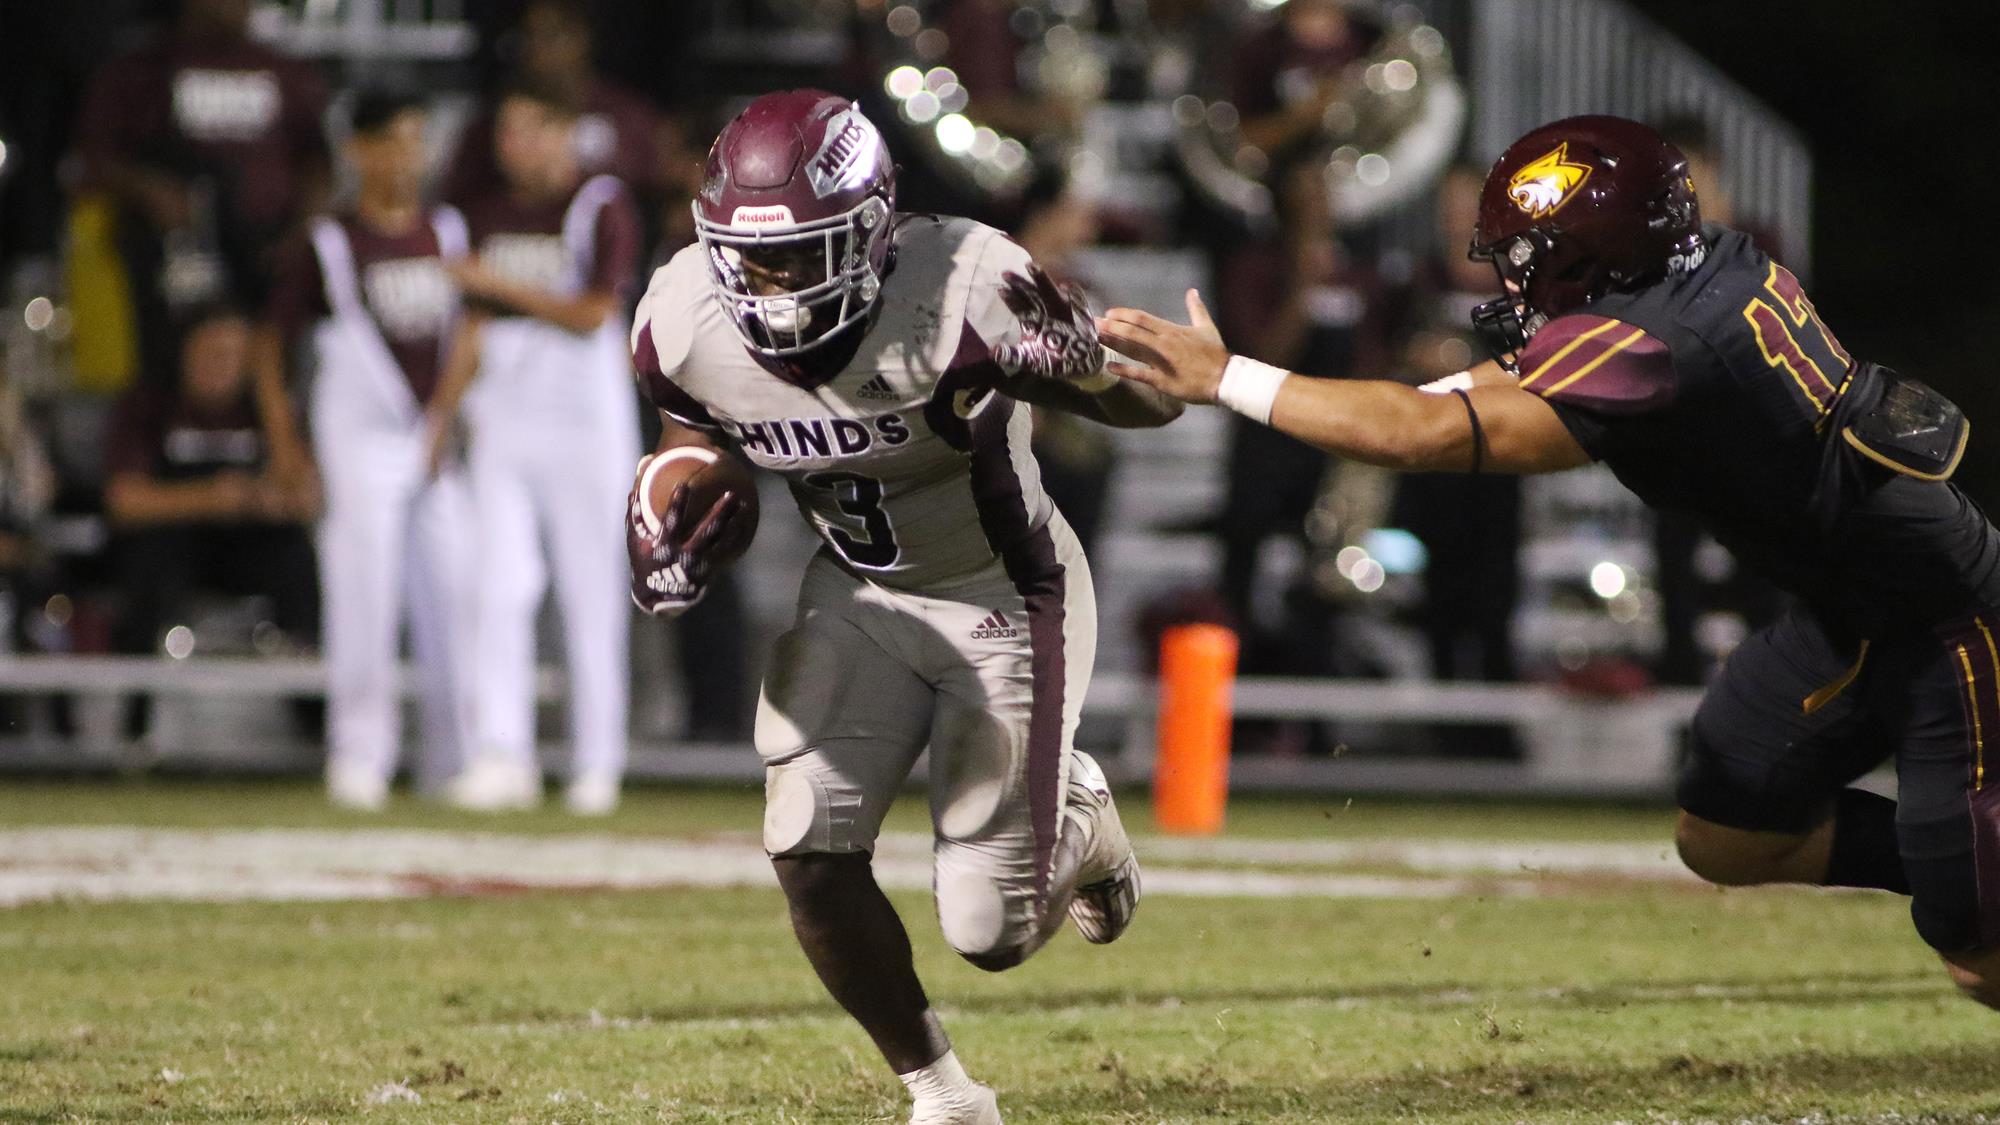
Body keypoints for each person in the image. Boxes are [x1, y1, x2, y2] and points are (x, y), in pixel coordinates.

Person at [1099, 114, 2000, 1010]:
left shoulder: (1660, 348)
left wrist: (1228, 378)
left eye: (1529, 255)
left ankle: (1976, 889)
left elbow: (1425, 435)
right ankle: (1955, 865)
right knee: (1726, 834)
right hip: (1844, 611)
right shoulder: (1704, 263)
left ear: (1595, 253)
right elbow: (1490, 388)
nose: (1512, 277)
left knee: (1979, 960)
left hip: (1947, 620)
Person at [627, 91, 1180, 1124]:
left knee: (990, 931)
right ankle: (942, 1092)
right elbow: (690, 439)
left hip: (1004, 593)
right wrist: (671, 506)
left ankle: (1085, 822)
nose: (774, 286)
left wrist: (1081, 361)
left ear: (875, 234)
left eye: (803, 255)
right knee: (804, 843)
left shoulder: (966, 284)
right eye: (753, 259)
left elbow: (1148, 404)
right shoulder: (681, 313)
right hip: (859, 592)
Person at [429, 80, 644, 816]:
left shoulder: (600, 202)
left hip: (583, 422)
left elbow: (593, 312)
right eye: (507, 133)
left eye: (530, 131)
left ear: (565, 133)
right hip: (504, 416)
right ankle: (501, 754)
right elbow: (471, 327)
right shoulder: (482, 212)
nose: (514, 148)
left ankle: (596, 764)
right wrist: (441, 419)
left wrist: (496, 285)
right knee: (497, 589)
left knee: (591, 595)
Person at [260, 89, 479, 810]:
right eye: (392, 141)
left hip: (430, 435)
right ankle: (360, 753)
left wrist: (446, 413)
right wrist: (288, 448)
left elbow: (469, 327)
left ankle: (453, 757)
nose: (406, 158)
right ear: (357, 150)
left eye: (416, 140)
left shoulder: (446, 231)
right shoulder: (329, 242)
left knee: (452, 592)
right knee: (363, 597)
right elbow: (271, 347)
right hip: (355, 436)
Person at [74, 0, 330, 388]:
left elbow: (319, 162)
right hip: (173, 260)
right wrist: (149, 190)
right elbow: (93, 160)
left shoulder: (283, 69)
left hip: (267, 254)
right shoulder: (142, 70)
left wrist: (302, 228)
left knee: (278, 366)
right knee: (168, 372)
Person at [104, 303, 319, 666]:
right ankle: (137, 704)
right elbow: (123, 501)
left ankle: (308, 698)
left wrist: (270, 393)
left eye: (236, 356)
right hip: (175, 544)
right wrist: (212, 498)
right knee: (148, 561)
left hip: (247, 545)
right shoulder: (150, 405)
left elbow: (307, 497)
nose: (222, 365)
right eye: (212, 353)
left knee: (297, 553)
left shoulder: (268, 408)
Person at [441, 0, 663, 210]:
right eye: (530, 37)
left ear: (582, 37)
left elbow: (656, 182)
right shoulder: (495, 120)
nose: (540, 50)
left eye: (552, 36)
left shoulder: (627, 113)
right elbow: (455, 203)